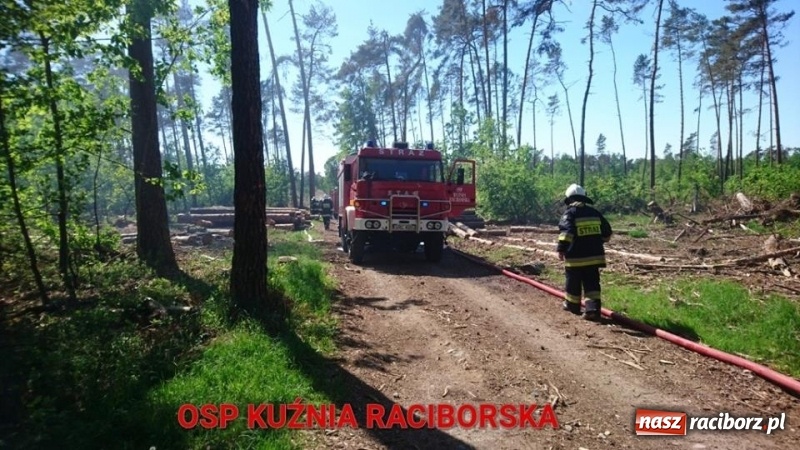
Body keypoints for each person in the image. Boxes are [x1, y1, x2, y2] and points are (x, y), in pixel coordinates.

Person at [557, 184, 612, 321]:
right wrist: (595, 241)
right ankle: (592, 310)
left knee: (573, 282)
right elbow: (607, 233)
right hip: (594, 258)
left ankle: (572, 306)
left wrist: (561, 249)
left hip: (575, 258)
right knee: (592, 284)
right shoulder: (595, 213)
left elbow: (566, 233)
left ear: (569, 199)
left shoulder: (569, 213)